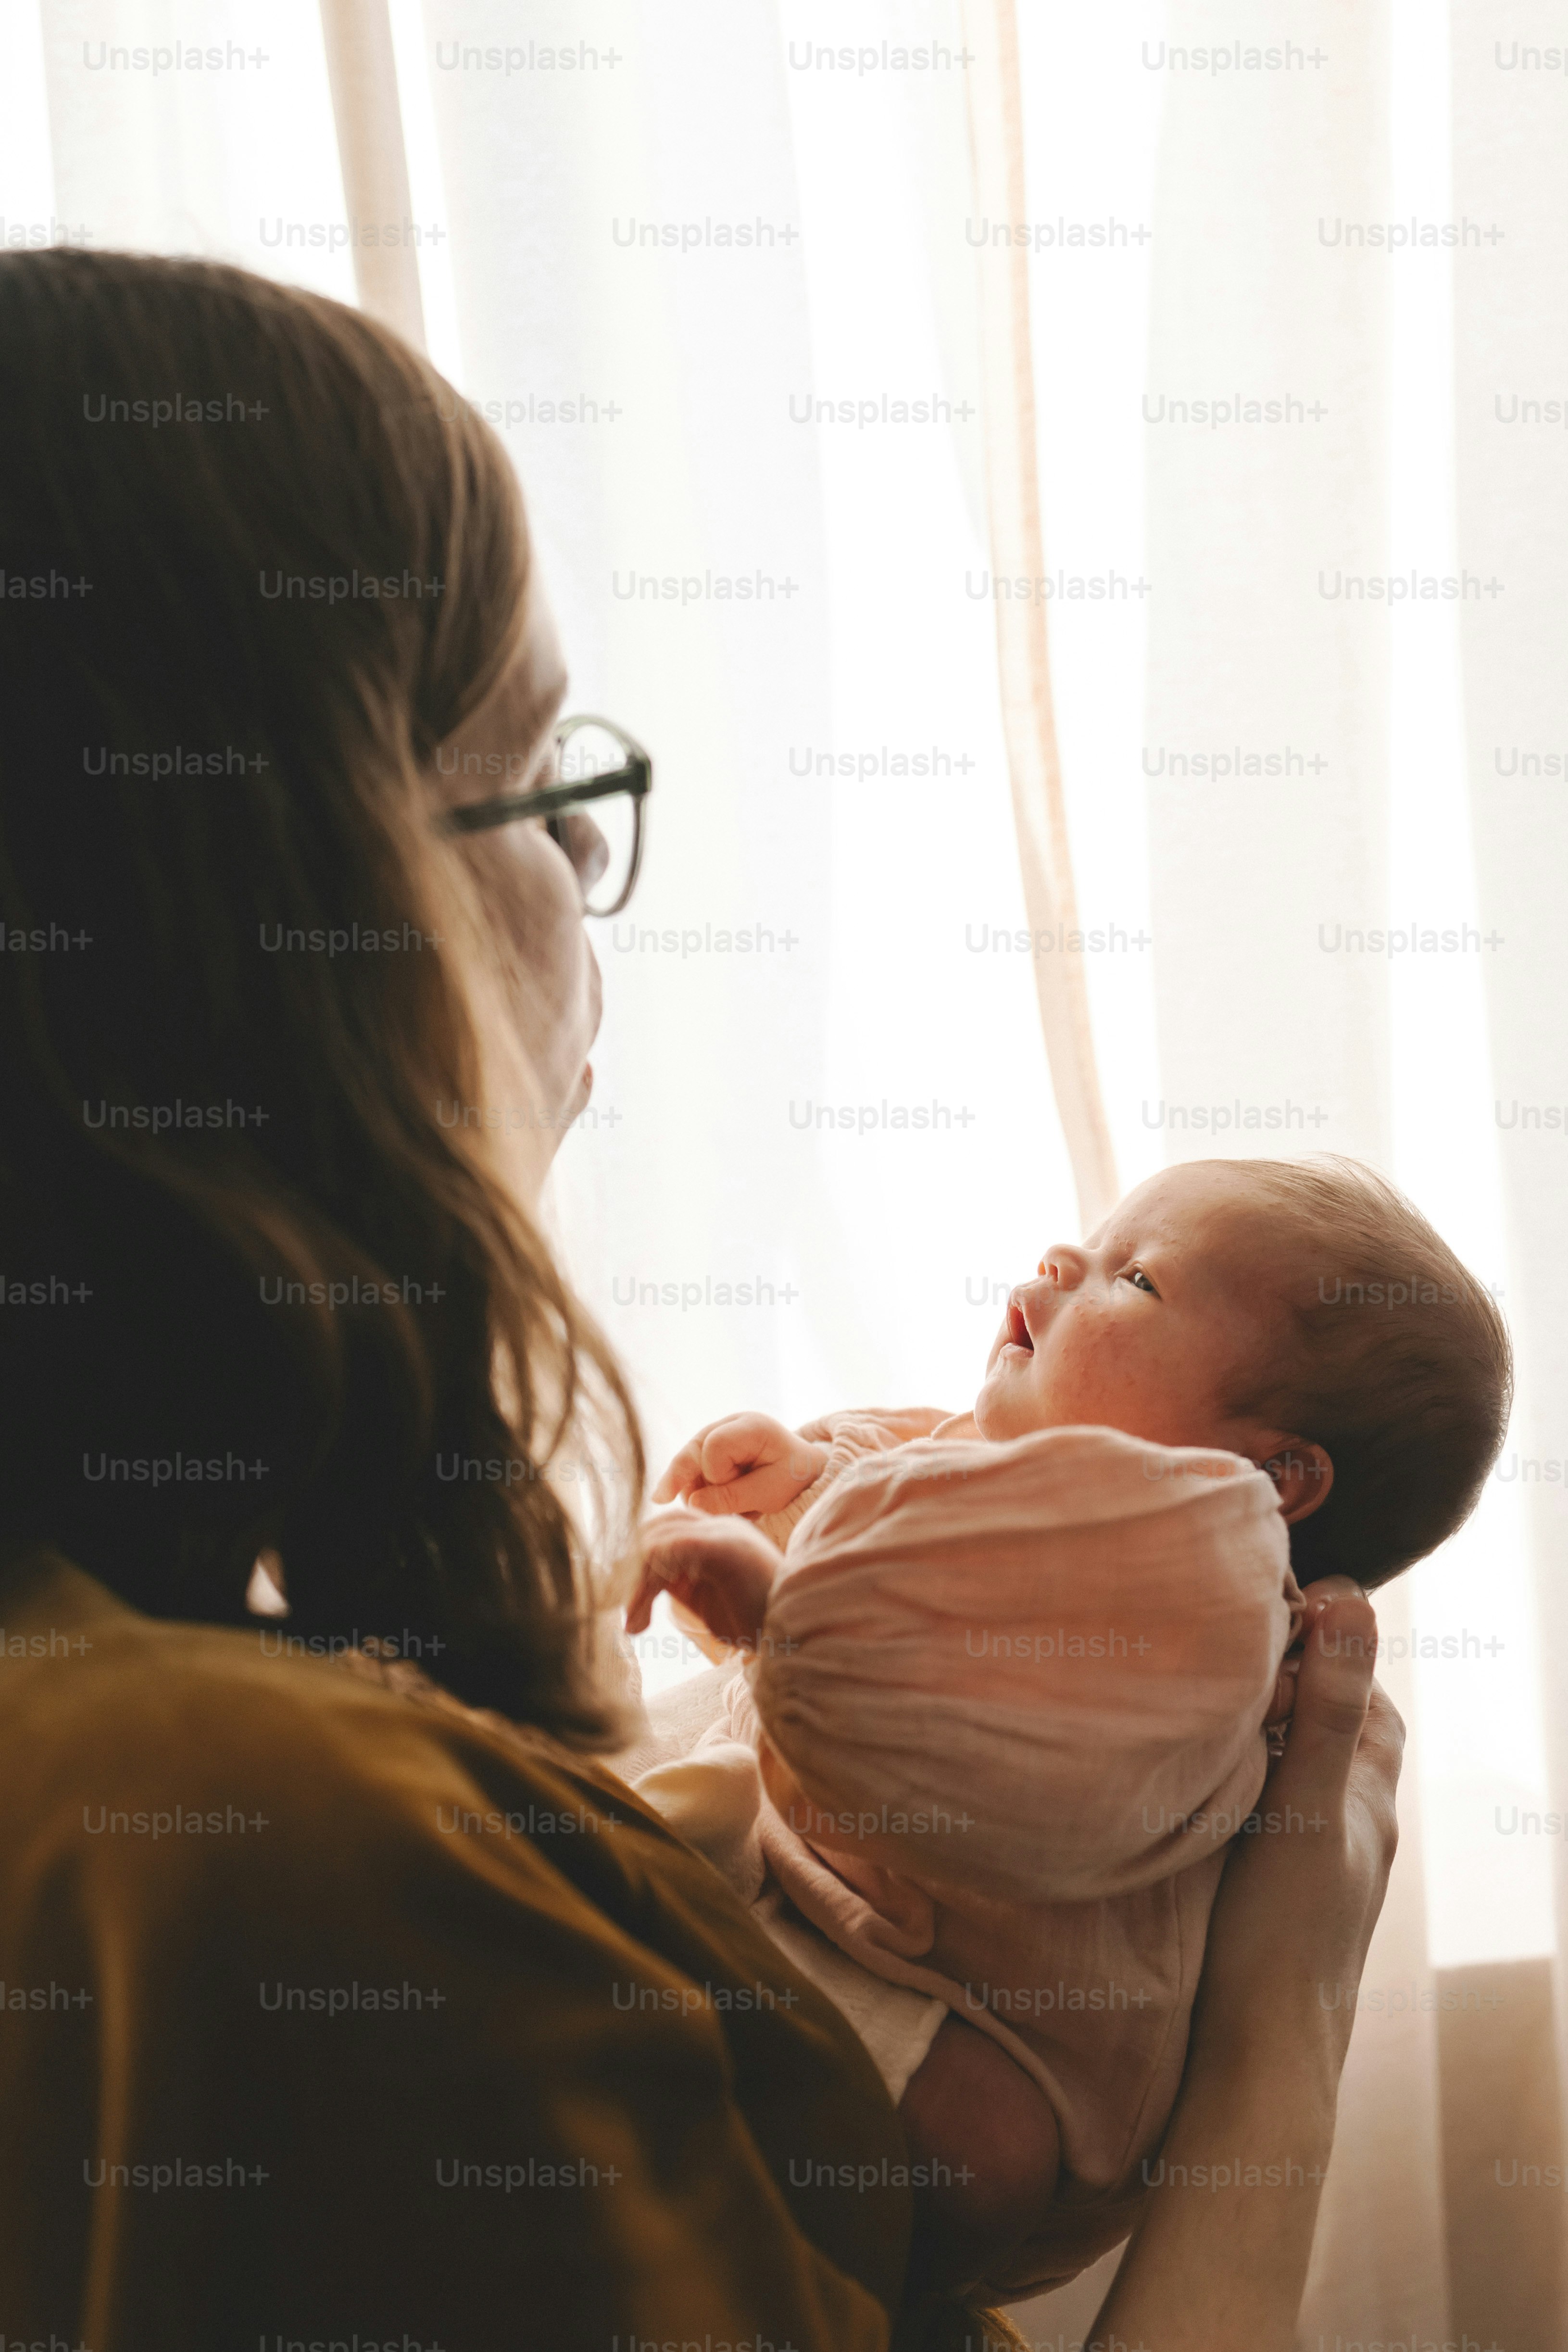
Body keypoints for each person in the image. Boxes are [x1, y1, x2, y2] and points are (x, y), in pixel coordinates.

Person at [0, 246, 1402, 2351]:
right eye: (548, 781)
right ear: (299, 908)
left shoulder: (179, 1729)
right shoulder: (266, 1847)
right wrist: (1285, 1998)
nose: (589, 882)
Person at [623, 1156, 1508, 2294]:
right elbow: (901, 1506)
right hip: (838, 1912)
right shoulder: (1019, 1479)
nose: (1058, 1264)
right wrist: (798, 1485)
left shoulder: (1209, 1594)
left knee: (973, 2148)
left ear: (1269, 1481)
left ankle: (660, 1867)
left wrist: (775, 1609)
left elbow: (1022, 1751)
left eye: (1133, 1281)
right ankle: (665, 1857)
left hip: (977, 2036)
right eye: (1086, 1244)